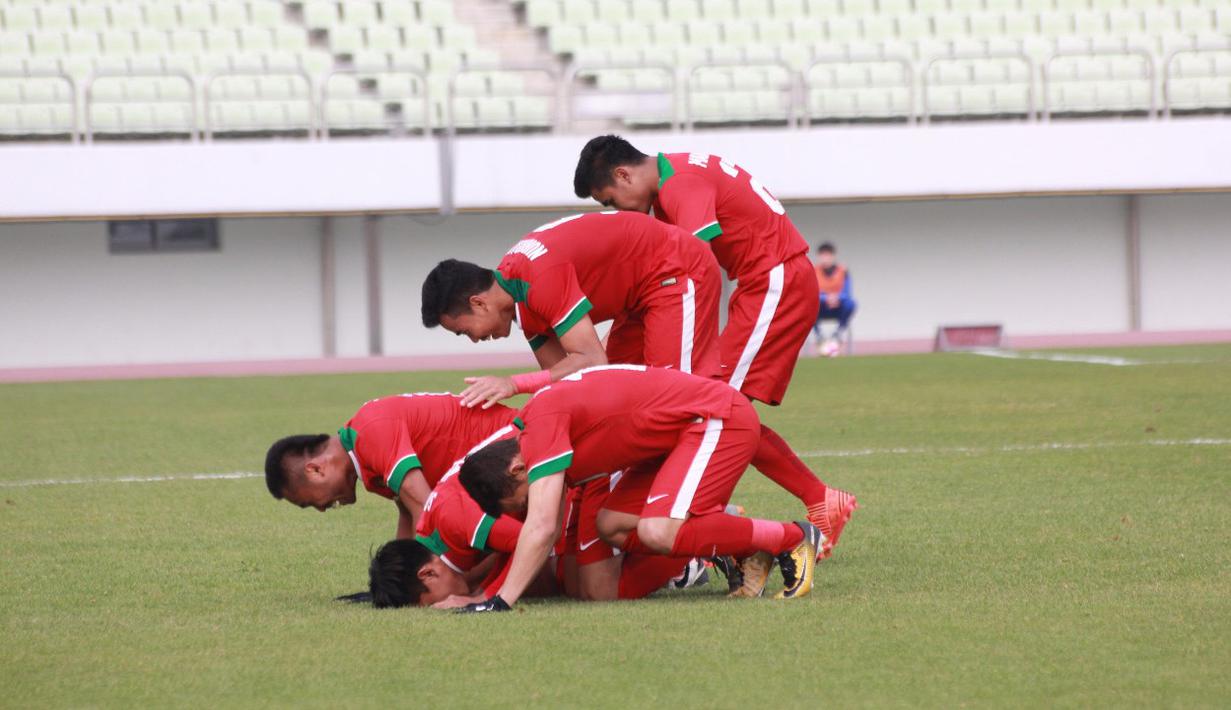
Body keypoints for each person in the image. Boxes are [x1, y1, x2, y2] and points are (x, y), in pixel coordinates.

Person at [572, 135, 856, 558]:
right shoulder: (675, 176)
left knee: (716, 409)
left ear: (623, 174)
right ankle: (790, 503)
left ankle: (803, 501)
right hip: (765, 282)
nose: (618, 211)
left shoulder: (679, 185)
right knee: (716, 409)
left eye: (611, 201)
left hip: (773, 282)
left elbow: (692, 266)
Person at [454, 365, 822, 614]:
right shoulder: (537, 422)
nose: (530, 504)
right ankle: (740, 544)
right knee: (611, 525)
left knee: (657, 530)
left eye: (522, 500)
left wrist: (500, 600)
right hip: (678, 437)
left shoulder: (540, 428)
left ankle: (792, 537)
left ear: (517, 469)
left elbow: (542, 525)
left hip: (712, 417)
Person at [262, 393, 516, 537]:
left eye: (308, 503)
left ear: (316, 469)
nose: (320, 509)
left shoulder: (369, 432)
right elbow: (409, 513)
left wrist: (417, 581)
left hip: (518, 449)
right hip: (500, 472)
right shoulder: (364, 458)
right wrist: (396, 575)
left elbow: (426, 510)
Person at [813, 241, 856, 356]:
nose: (825, 258)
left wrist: (837, 297)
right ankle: (819, 336)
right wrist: (825, 298)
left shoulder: (843, 271)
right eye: (823, 255)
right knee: (807, 306)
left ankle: (837, 334)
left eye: (828, 255)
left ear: (833, 256)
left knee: (851, 304)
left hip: (838, 307)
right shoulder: (813, 271)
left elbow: (847, 293)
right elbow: (811, 293)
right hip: (821, 308)